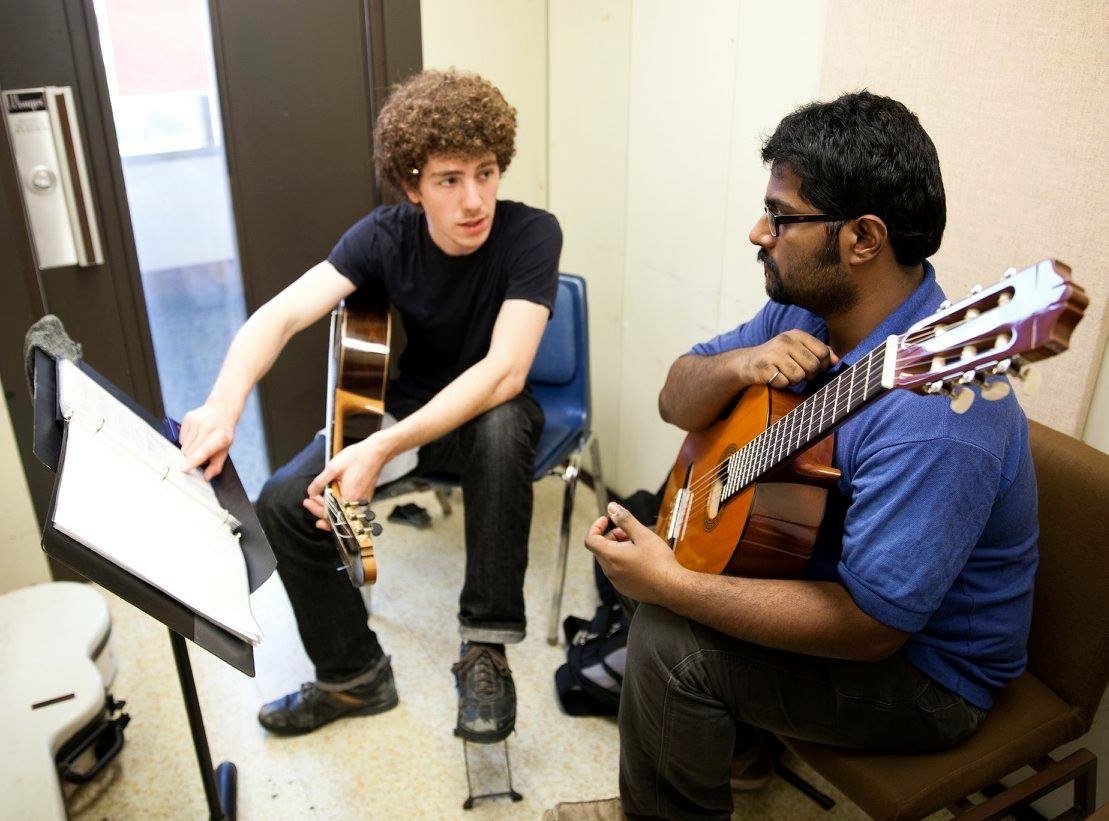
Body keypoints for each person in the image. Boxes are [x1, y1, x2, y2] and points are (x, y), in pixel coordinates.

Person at [584, 91, 1038, 818]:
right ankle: (733, 756)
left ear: (863, 238)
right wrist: (739, 365)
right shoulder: (804, 308)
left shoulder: (938, 417)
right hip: (811, 572)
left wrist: (670, 586)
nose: (757, 232)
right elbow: (675, 401)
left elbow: (871, 627)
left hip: (925, 674)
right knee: (651, 527)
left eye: (781, 216)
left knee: (670, 638)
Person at [180, 69, 561, 742]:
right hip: (408, 413)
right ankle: (353, 676)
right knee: (282, 500)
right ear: (413, 187)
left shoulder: (531, 233)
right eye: (449, 180)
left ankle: (485, 650)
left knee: (503, 425)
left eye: (485, 173)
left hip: (487, 419)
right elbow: (280, 315)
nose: (474, 200)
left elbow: (504, 373)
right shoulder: (384, 236)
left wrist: (380, 447)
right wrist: (221, 405)